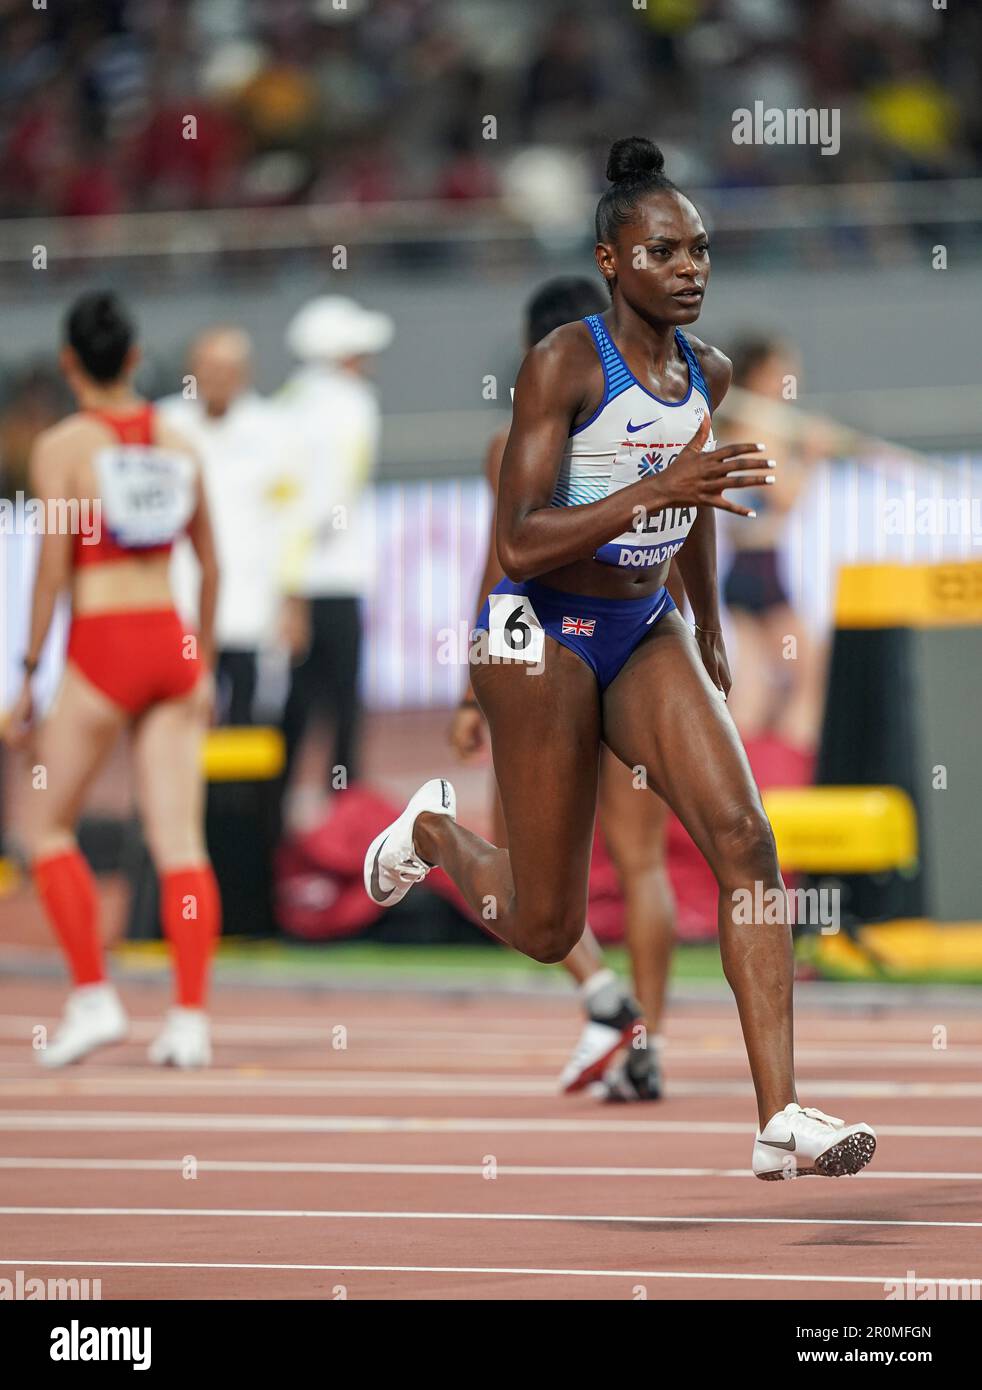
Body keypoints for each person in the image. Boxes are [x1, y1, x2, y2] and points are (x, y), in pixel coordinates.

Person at [366, 138, 876, 1178]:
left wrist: (710, 627)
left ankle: (779, 1114)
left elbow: (696, 504)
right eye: (664, 252)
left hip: (647, 628)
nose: (689, 269)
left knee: (744, 839)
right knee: (548, 923)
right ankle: (430, 830)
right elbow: (518, 541)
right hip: (546, 636)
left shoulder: (710, 370)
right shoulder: (562, 364)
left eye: (699, 251)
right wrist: (649, 494)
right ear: (612, 261)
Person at [449, 276, 677, 1100]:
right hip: (641, 644)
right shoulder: (662, 414)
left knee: (513, 844)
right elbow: (676, 547)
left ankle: (598, 989)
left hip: (545, 654)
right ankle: (642, 1037)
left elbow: (502, 563)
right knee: (641, 860)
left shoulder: (518, 435)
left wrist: (473, 691)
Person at [3, 291, 221, 1069]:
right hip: (171, 637)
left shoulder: (62, 447)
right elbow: (212, 560)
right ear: (134, 358)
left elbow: (52, 572)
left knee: (44, 828)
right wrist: (207, 654)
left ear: (69, 364)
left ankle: (93, 996)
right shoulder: (179, 439)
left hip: (103, 646)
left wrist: (28, 674)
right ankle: (190, 1020)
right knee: (180, 844)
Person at [277, 296, 393, 824]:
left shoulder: (286, 401)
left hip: (293, 577)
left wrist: (285, 579)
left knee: (295, 703)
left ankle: (272, 808)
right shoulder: (352, 403)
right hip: (333, 577)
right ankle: (348, 815)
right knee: (342, 701)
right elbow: (329, 495)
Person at [159, 326, 295, 725]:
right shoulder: (165, 424)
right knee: (176, 717)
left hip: (251, 604)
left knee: (247, 720)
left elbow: (292, 520)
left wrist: (291, 597)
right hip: (180, 601)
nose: (216, 377)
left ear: (245, 372)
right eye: (207, 367)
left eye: (226, 368)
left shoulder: (274, 429)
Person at [716, 335, 825, 749]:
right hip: (760, 567)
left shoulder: (733, 426)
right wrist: (810, 458)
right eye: (782, 372)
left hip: (742, 568)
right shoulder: (763, 427)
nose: (790, 380)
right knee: (809, 666)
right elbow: (785, 498)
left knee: (754, 683)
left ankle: (748, 772)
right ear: (760, 375)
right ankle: (794, 765)